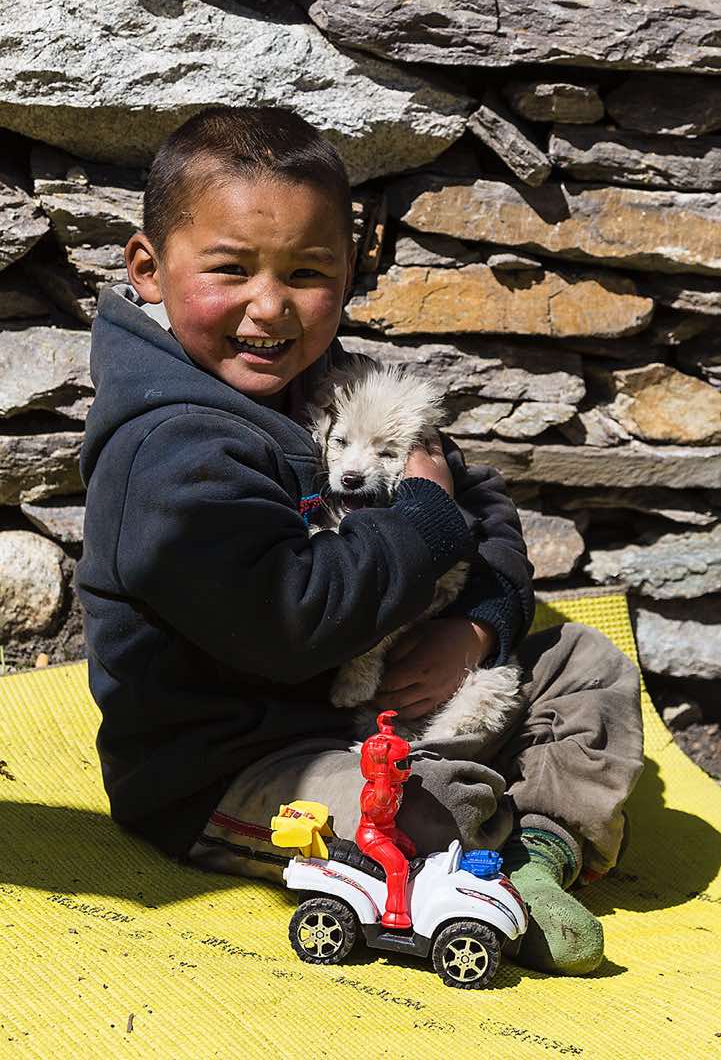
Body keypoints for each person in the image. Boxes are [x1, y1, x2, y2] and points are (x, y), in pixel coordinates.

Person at [76, 105, 643, 977]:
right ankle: (479, 856)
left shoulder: (338, 388)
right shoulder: (169, 451)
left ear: (352, 270)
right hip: (245, 757)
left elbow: (481, 506)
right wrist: (421, 514)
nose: (269, 308)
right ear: (148, 270)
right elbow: (286, 621)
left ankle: (536, 850)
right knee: (409, 816)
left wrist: (480, 625)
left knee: (584, 663)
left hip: (395, 700)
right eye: (230, 270)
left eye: (307, 273)